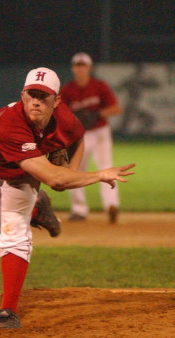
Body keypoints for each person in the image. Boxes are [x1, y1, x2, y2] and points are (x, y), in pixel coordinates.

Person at [0, 67, 135, 329]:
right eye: (31, 94)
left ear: (57, 101)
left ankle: (8, 311)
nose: (36, 101)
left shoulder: (65, 119)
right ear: (22, 96)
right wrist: (97, 174)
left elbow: (78, 138)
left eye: (43, 96)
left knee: (13, 232)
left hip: (21, 175)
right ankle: (37, 211)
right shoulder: (8, 125)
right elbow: (54, 179)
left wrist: (71, 172)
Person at [61, 53, 123, 223]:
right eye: (77, 65)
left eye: (83, 65)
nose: (80, 68)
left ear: (89, 68)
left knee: (107, 168)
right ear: (73, 68)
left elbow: (116, 109)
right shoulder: (67, 90)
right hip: (79, 136)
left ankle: (111, 205)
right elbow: (59, 114)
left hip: (100, 133)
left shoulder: (99, 86)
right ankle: (79, 209)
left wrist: (97, 114)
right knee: (75, 171)